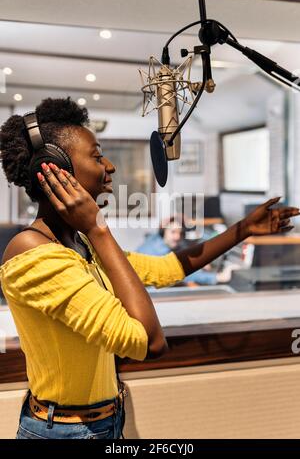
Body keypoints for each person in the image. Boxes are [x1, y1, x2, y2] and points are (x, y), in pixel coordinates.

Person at [0, 97, 298, 440]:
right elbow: (148, 341)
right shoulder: (34, 254)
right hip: (64, 431)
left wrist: (242, 230)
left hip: (102, 420)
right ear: (57, 167)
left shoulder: (79, 244)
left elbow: (166, 268)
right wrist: (98, 229)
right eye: (97, 156)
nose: (109, 166)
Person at [136, 216, 238, 286]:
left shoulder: (156, 239)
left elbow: (182, 251)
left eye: (180, 233)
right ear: (163, 231)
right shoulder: (157, 251)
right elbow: (180, 274)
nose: (177, 237)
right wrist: (217, 277)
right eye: (173, 232)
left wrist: (200, 263)